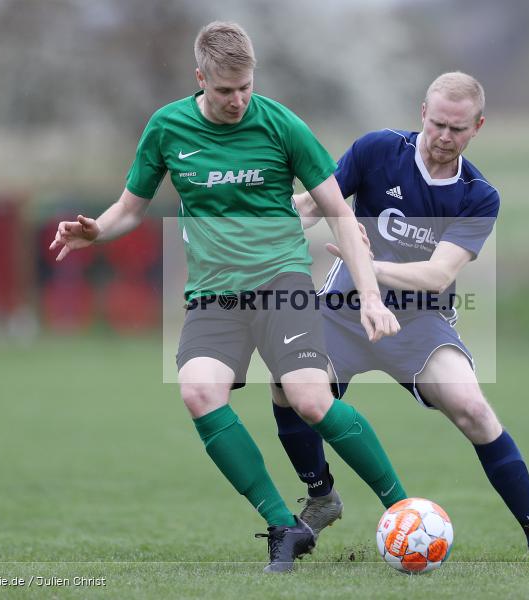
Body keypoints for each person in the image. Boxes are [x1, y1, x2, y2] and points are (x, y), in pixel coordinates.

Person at [49, 21, 409, 573]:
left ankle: (404, 511)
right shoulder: (167, 127)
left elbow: (339, 210)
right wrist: (96, 228)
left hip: (282, 282)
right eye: (224, 90)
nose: (238, 99)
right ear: (200, 79)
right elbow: (130, 206)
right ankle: (284, 527)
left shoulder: (281, 124)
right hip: (214, 294)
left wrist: (370, 297)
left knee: (310, 399)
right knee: (198, 391)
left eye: (246, 87)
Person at [270, 72, 529, 563]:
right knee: (287, 388)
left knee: (476, 411)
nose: (443, 137)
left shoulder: (479, 195)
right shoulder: (376, 151)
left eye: (457, 129)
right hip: (344, 311)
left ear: (477, 126)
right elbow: (311, 206)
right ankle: (322, 495)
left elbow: (439, 275)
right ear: (422, 113)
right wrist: (250, 219)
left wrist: (368, 265)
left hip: (420, 321)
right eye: (437, 123)